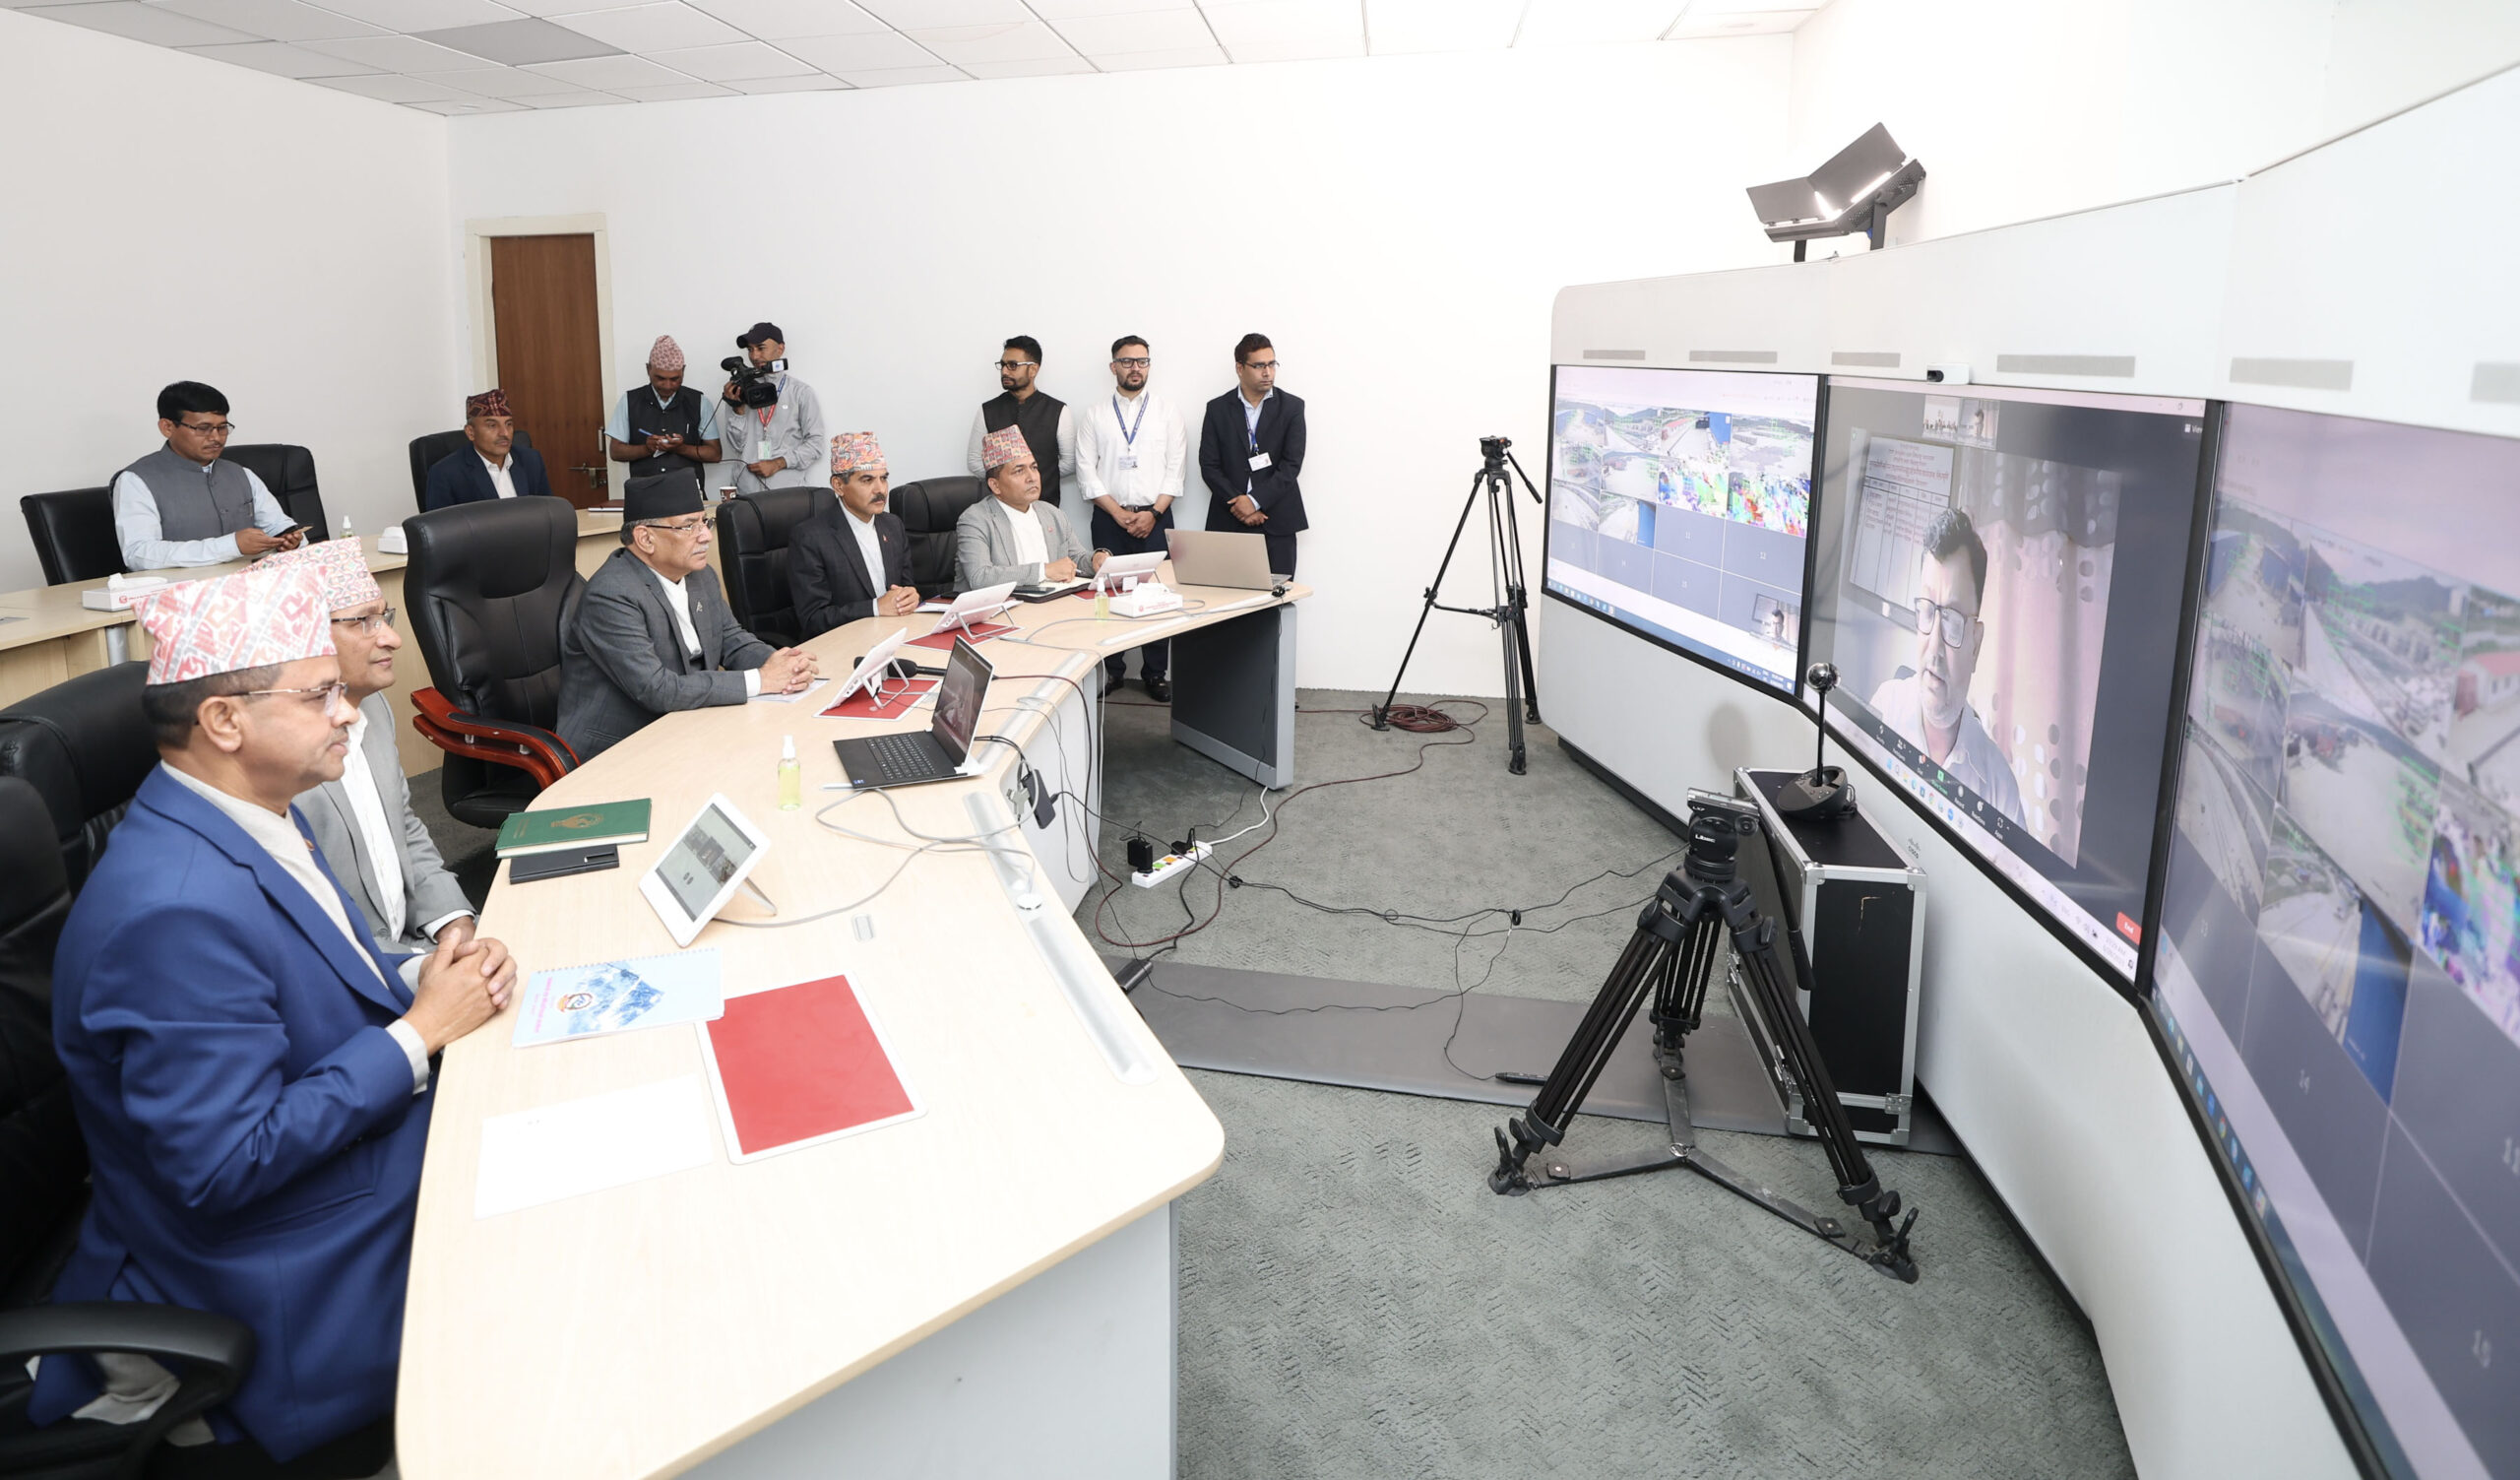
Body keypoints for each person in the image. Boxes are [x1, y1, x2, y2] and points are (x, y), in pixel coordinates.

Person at [31, 560, 515, 1464]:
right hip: (278, 1261)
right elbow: (225, 1163)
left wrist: (422, 971)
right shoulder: (173, 911)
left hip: (341, 1160)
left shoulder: (252, 813)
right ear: (224, 721)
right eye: (319, 693)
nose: (349, 712)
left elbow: (323, 967)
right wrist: (419, 1032)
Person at [270, 540, 476, 952]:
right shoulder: (275, 758)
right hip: (355, 967)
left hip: (415, 945)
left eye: (384, 617)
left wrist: (454, 922)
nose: (393, 639)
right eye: (364, 621)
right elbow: (307, 932)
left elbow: (404, 828)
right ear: (306, 637)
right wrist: (421, 967)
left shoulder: (374, 707)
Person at [557, 472, 818, 760]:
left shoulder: (700, 575)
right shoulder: (611, 594)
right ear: (645, 538)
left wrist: (782, 665)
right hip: (618, 747)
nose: (706, 535)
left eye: (705, 522)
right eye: (689, 526)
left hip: (686, 725)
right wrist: (761, 680)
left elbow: (731, 639)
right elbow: (656, 689)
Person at [1866, 507, 2028, 828]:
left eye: (1952, 620)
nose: (1934, 647)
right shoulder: (1884, 710)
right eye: (1928, 610)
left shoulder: (2000, 792)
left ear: (1975, 645)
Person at [1076, 335, 1184, 701]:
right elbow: (1086, 471)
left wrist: (1153, 513)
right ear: (1113, 367)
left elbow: (1175, 470)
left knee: (1158, 595)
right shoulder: (1095, 414)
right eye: (1127, 361)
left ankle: (1155, 674)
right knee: (1107, 594)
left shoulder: (1167, 411)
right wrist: (1118, 512)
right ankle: (1112, 670)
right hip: (1109, 518)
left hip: (1156, 518)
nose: (1135, 368)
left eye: (1142, 361)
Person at [112, 381, 304, 569]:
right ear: (167, 427)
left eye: (222, 427)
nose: (216, 438)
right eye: (203, 428)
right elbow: (138, 554)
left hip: (247, 583)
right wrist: (231, 546)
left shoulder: (242, 474)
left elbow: (279, 525)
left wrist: (290, 540)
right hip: (179, 588)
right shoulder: (136, 480)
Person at [790, 431, 918, 639]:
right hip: (844, 644)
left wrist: (910, 597)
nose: (880, 490)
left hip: (895, 636)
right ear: (838, 486)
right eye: (867, 480)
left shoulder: (893, 525)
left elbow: (906, 586)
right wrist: (875, 608)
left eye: (883, 478)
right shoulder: (810, 538)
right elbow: (813, 619)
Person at [1199, 333, 1307, 578]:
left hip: (1277, 521)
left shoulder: (1292, 407)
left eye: (1272, 364)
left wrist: (1255, 501)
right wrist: (1240, 503)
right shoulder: (1217, 409)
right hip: (1228, 521)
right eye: (1259, 366)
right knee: (1227, 596)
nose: (1268, 372)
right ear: (1240, 368)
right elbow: (1209, 465)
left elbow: (1291, 465)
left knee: (1279, 597)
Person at [957, 426, 1107, 591]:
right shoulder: (975, 519)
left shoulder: (1052, 514)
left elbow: (1075, 559)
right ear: (995, 485)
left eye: (1034, 468)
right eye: (1019, 471)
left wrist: (1094, 560)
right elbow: (980, 577)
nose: (1032, 477)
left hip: (1050, 601)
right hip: (1001, 605)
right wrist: (1045, 571)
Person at [965, 335, 1076, 508]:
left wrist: (1034, 479)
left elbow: (1070, 463)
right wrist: (1007, 484)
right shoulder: (988, 410)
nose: (1005, 371)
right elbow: (974, 461)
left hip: (1044, 507)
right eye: (1003, 365)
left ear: (1033, 369)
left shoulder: (1058, 410)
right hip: (998, 509)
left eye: (1013, 365)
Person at [720, 321, 826, 494]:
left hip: (787, 493)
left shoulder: (800, 392)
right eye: (750, 349)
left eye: (761, 348)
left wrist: (779, 463)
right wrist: (738, 409)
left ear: (780, 349)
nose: (754, 356)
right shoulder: (739, 391)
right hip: (746, 492)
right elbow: (737, 447)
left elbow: (816, 444)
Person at [606, 334, 721, 490]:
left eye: (675, 379)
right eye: (660, 378)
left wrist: (681, 448)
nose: (667, 386)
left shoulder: (700, 402)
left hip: (687, 494)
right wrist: (646, 448)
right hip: (644, 495)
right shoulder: (629, 401)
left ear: (683, 371)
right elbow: (616, 451)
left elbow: (715, 454)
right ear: (648, 369)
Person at [421, 389, 558, 510]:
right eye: (492, 425)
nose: (504, 433)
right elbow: (443, 528)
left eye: (509, 424)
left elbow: (548, 513)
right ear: (470, 432)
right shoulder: (445, 473)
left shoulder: (531, 460)